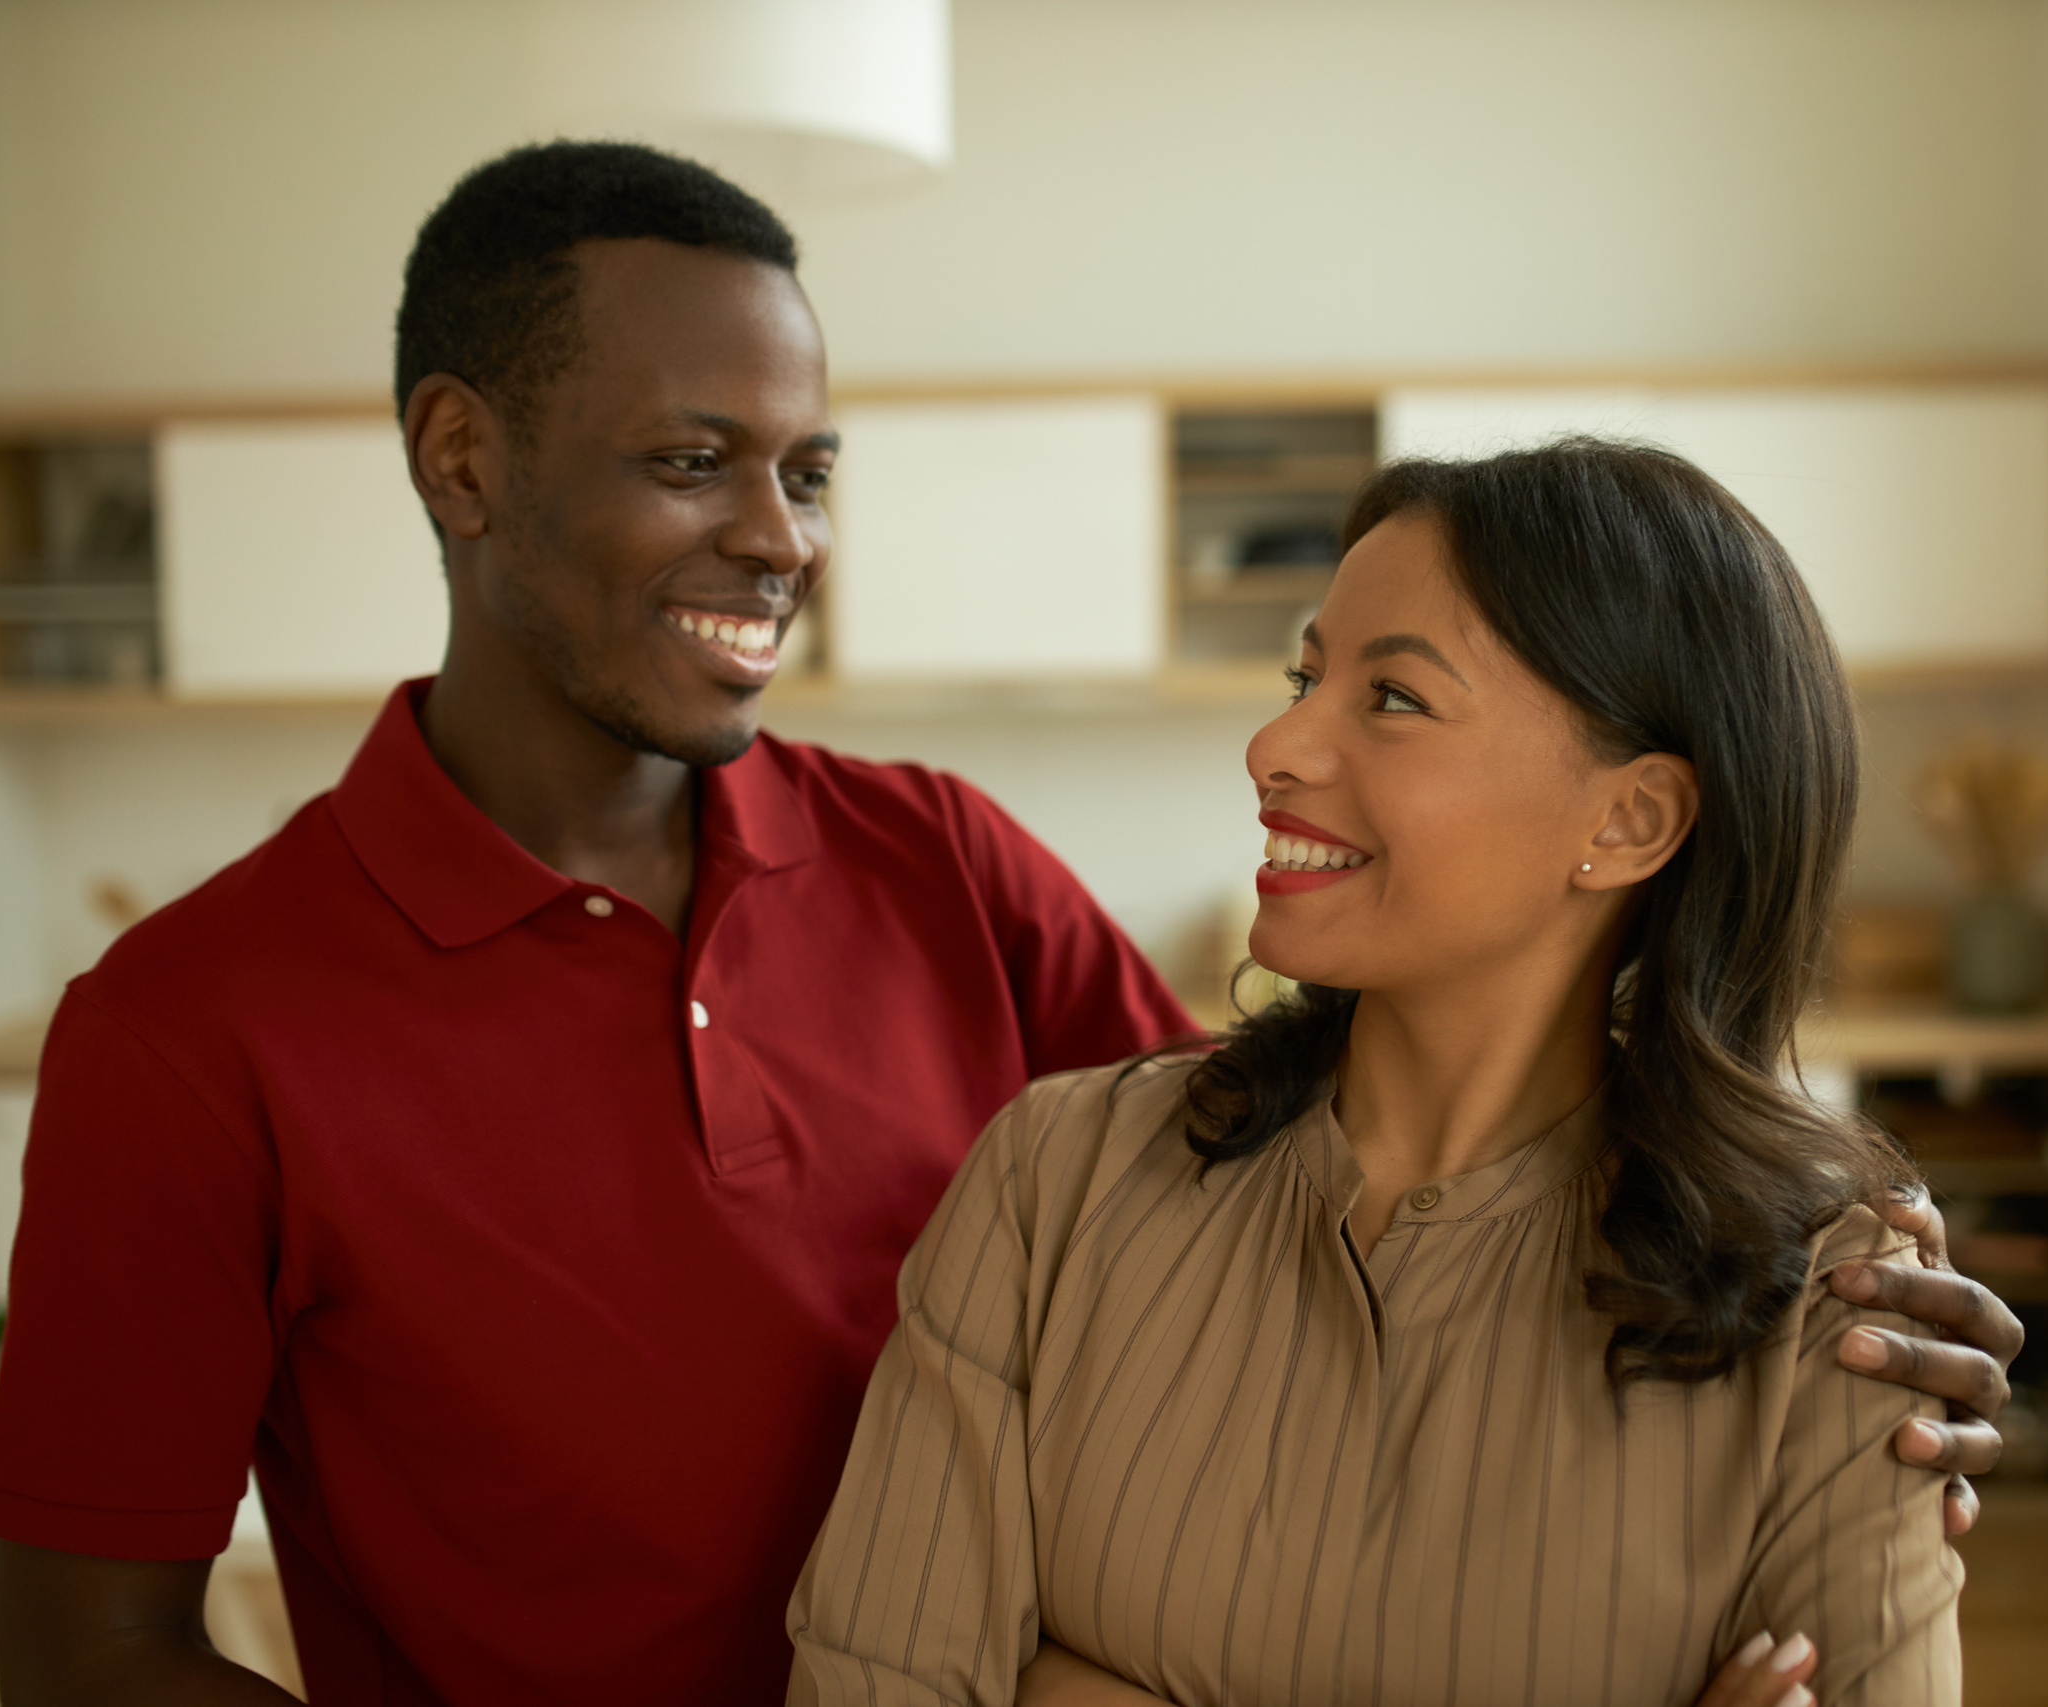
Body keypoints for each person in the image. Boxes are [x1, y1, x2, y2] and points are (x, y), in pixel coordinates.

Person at [0, 143, 2013, 1705]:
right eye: (694, 461)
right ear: (463, 460)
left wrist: (1768, 1221)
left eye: (806, 468)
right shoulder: (185, 1028)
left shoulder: (938, 865)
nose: (779, 536)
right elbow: (88, 1656)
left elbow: (1320, 1160)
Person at [790, 439, 1969, 1705]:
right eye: (1303, 675)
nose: (1273, 744)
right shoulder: (1053, 1182)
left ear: (1627, 822)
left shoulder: (1835, 1308)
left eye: (1393, 699)